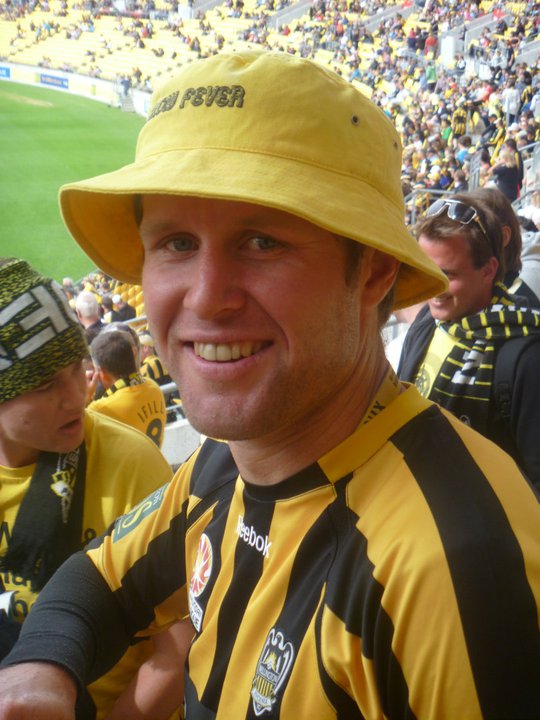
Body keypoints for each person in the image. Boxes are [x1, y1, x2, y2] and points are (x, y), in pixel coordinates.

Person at [0, 51, 539, 720]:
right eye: (175, 243)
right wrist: (38, 668)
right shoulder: (229, 458)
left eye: (262, 242)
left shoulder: (454, 566)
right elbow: (100, 577)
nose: (206, 297)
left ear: (374, 272)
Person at [0, 258, 177, 719]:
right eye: (45, 384)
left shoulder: (132, 463)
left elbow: (178, 646)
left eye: (77, 368)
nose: (77, 396)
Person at [398, 192, 540, 489]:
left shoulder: (526, 357)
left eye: (447, 274)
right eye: (426, 270)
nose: (433, 286)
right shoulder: (428, 323)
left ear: (488, 270)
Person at [88, 330, 167, 448]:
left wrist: (86, 397)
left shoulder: (100, 409)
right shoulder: (153, 387)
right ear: (134, 355)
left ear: (102, 373)